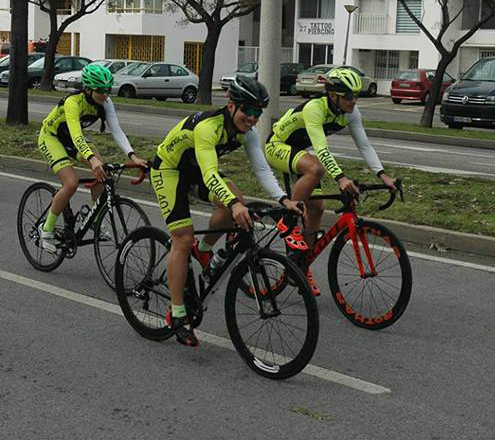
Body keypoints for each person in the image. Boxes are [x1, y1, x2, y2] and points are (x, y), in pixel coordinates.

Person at [150, 76, 303, 347]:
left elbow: (261, 168)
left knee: (236, 199)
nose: (252, 118)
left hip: (196, 170)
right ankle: (177, 313)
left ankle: (205, 250)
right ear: (231, 105)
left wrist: (283, 199)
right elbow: (211, 174)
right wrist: (233, 205)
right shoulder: (208, 127)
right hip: (169, 171)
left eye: (258, 113)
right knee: (183, 239)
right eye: (248, 110)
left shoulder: (248, 132)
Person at [265, 67, 396, 296]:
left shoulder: (351, 113)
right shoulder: (315, 108)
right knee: (316, 168)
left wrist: (383, 175)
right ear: (333, 95)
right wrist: (341, 178)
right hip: (277, 146)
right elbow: (321, 149)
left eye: (356, 95)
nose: (353, 101)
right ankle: (288, 221)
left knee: (317, 209)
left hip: (300, 152)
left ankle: (300, 265)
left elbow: (364, 146)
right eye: (348, 96)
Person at [37, 63, 147, 252]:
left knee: (102, 172)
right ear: (87, 89)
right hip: (52, 138)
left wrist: (133, 156)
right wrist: (92, 159)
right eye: (100, 90)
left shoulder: (106, 102)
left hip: (73, 140)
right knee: (71, 184)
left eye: (108, 90)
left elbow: (116, 130)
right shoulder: (73, 102)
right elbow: (77, 136)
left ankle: (93, 218)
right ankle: (46, 229)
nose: (105, 94)